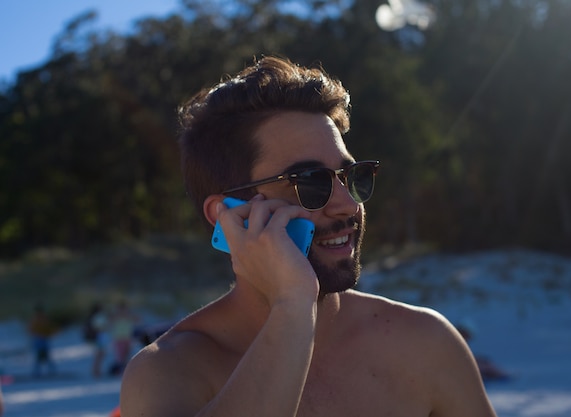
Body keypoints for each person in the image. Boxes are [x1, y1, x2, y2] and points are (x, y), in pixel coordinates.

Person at [121, 56, 497, 417]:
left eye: (350, 178)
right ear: (227, 214)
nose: (348, 205)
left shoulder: (424, 343)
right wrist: (292, 305)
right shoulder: (168, 373)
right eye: (309, 183)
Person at [108, 300, 138, 376]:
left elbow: (138, 320)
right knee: (120, 357)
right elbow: (109, 321)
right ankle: (121, 371)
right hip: (118, 339)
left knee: (127, 355)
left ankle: (126, 371)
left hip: (128, 338)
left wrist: (128, 315)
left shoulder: (129, 316)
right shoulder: (116, 317)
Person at [28, 303, 57, 377]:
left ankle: (50, 371)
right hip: (40, 340)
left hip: (42, 340)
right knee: (41, 357)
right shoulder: (37, 319)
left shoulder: (39, 319)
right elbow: (33, 330)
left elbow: (48, 329)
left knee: (45, 357)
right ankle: (38, 372)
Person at [84, 302, 108, 377]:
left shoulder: (92, 316)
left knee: (99, 355)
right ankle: (96, 371)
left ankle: (96, 370)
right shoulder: (98, 316)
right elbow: (99, 327)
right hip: (99, 337)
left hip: (97, 337)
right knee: (99, 355)